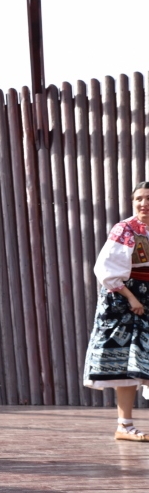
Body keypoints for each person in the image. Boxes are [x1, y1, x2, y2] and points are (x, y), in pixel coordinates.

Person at [83, 181, 149, 442]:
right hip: (125, 300)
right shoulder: (125, 229)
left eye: (148, 198)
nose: (144, 203)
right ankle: (124, 425)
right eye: (139, 199)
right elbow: (106, 271)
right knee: (126, 364)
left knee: (140, 363)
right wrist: (132, 298)